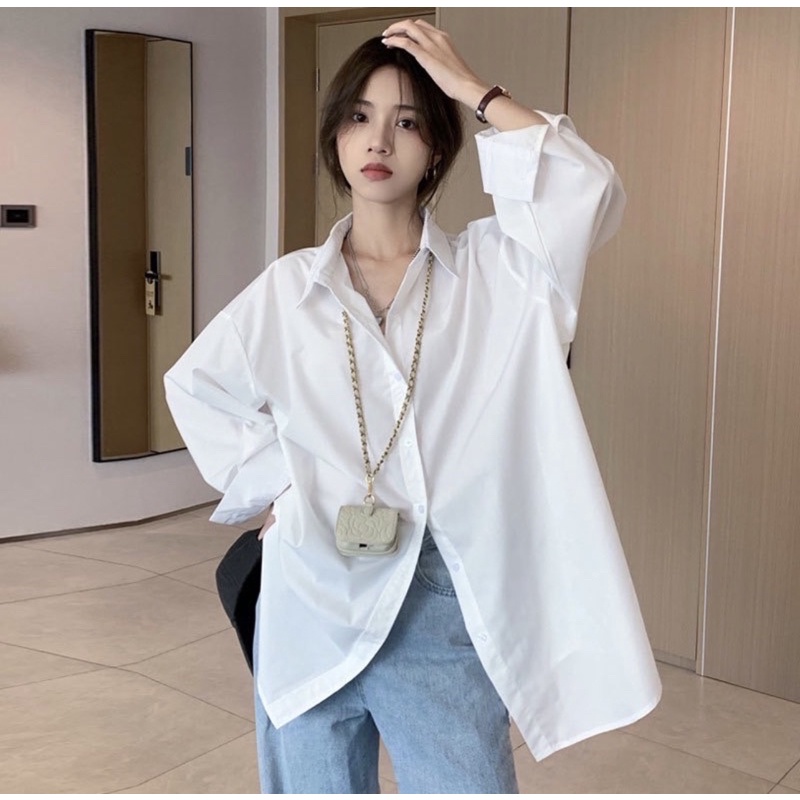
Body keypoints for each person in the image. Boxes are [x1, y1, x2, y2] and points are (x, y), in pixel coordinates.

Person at [165, 19, 661, 794]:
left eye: (407, 122)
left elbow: (582, 185)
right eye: (359, 116)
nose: (379, 140)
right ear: (335, 137)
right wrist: (281, 486)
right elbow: (197, 387)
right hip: (308, 595)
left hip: (437, 597)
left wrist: (473, 90)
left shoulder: (501, 272)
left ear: (436, 148)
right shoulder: (288, 289)